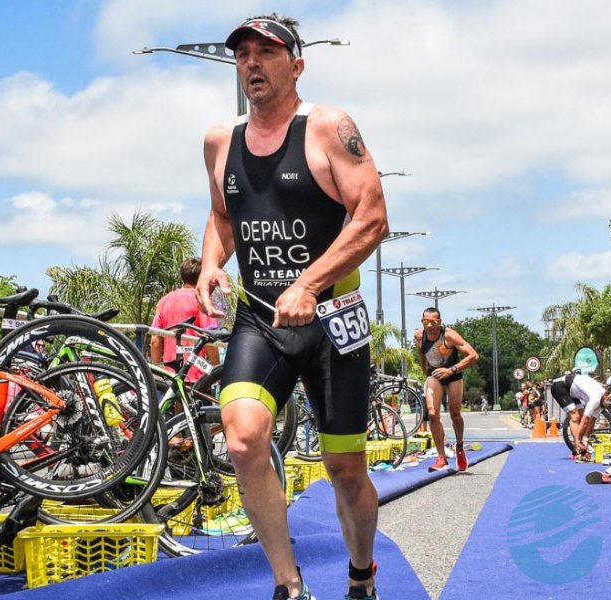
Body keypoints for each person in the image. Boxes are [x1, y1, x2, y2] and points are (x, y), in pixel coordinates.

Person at [194, 13, 389, 600]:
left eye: (266, 52)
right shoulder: (219, 141)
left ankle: (360, 575)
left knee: (345, 471)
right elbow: (224, 216)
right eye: (243, 54)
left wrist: (308, 283)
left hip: (333, 319)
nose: (251, 62)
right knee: (243, 439)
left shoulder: (329, 128)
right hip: (262, 318)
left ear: (296, 65)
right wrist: (210, 263)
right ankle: (288, 583)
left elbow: (373, 217)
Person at [414, 307, 479, 472]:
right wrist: (425, 372)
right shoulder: (419, 336)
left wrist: (451, 370)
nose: (429, 325)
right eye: (425, 321)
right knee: (433, 413)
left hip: (453, 375)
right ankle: (441, 457)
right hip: (434, 375)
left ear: (439, 322)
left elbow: (473, 355)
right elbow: (422, 352)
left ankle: (459, 447)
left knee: (455, 414)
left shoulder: (449, 335)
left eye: (433, 322)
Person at [150, 257, 219, 383]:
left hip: (169, 376)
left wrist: (158, 369)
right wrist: (217, 371)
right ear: (202, 277)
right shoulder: (203, 301)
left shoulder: (163, 301)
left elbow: (155, 340)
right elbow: (209, 338)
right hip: (196, 376)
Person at [549, 372, 609, 461]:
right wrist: (579, 441)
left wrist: (585, 438)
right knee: (576, 416)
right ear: (606, 395)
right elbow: (585, 420)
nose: (609, 404)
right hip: (559, 386)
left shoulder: (602, 402)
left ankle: (578, 448)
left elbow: (592, 421)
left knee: (580, 416)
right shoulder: (596, 397)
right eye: (609, 401)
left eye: (610, 405)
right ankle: (578, 448)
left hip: (571, 390)